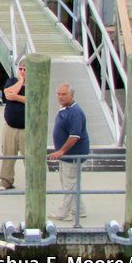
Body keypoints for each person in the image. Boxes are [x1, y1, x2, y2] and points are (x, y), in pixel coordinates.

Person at [48, 83, 91, 221]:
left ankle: (63, 213)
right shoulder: (65, 109)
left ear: (71, 95)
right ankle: (79, 210)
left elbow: (75, 136)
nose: (60, 97)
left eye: (64, 94)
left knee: (69, 184)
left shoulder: (75, 112)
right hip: (67, 156)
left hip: (73, 155)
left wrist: (61, 151)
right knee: (71, 183)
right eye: (58, 94)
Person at [0, 58, 26, 191]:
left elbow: (32, 99)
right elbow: (8, 94)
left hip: (27, 129)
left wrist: (17, 97)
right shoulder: (13, 81)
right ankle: (6, 180)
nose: (22, 71)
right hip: (10, 126)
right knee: (8, 153)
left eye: (25, 69)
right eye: (21, 69)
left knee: (30, 156)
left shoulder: (35, 83)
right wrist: (20, 81)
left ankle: (34, 181)